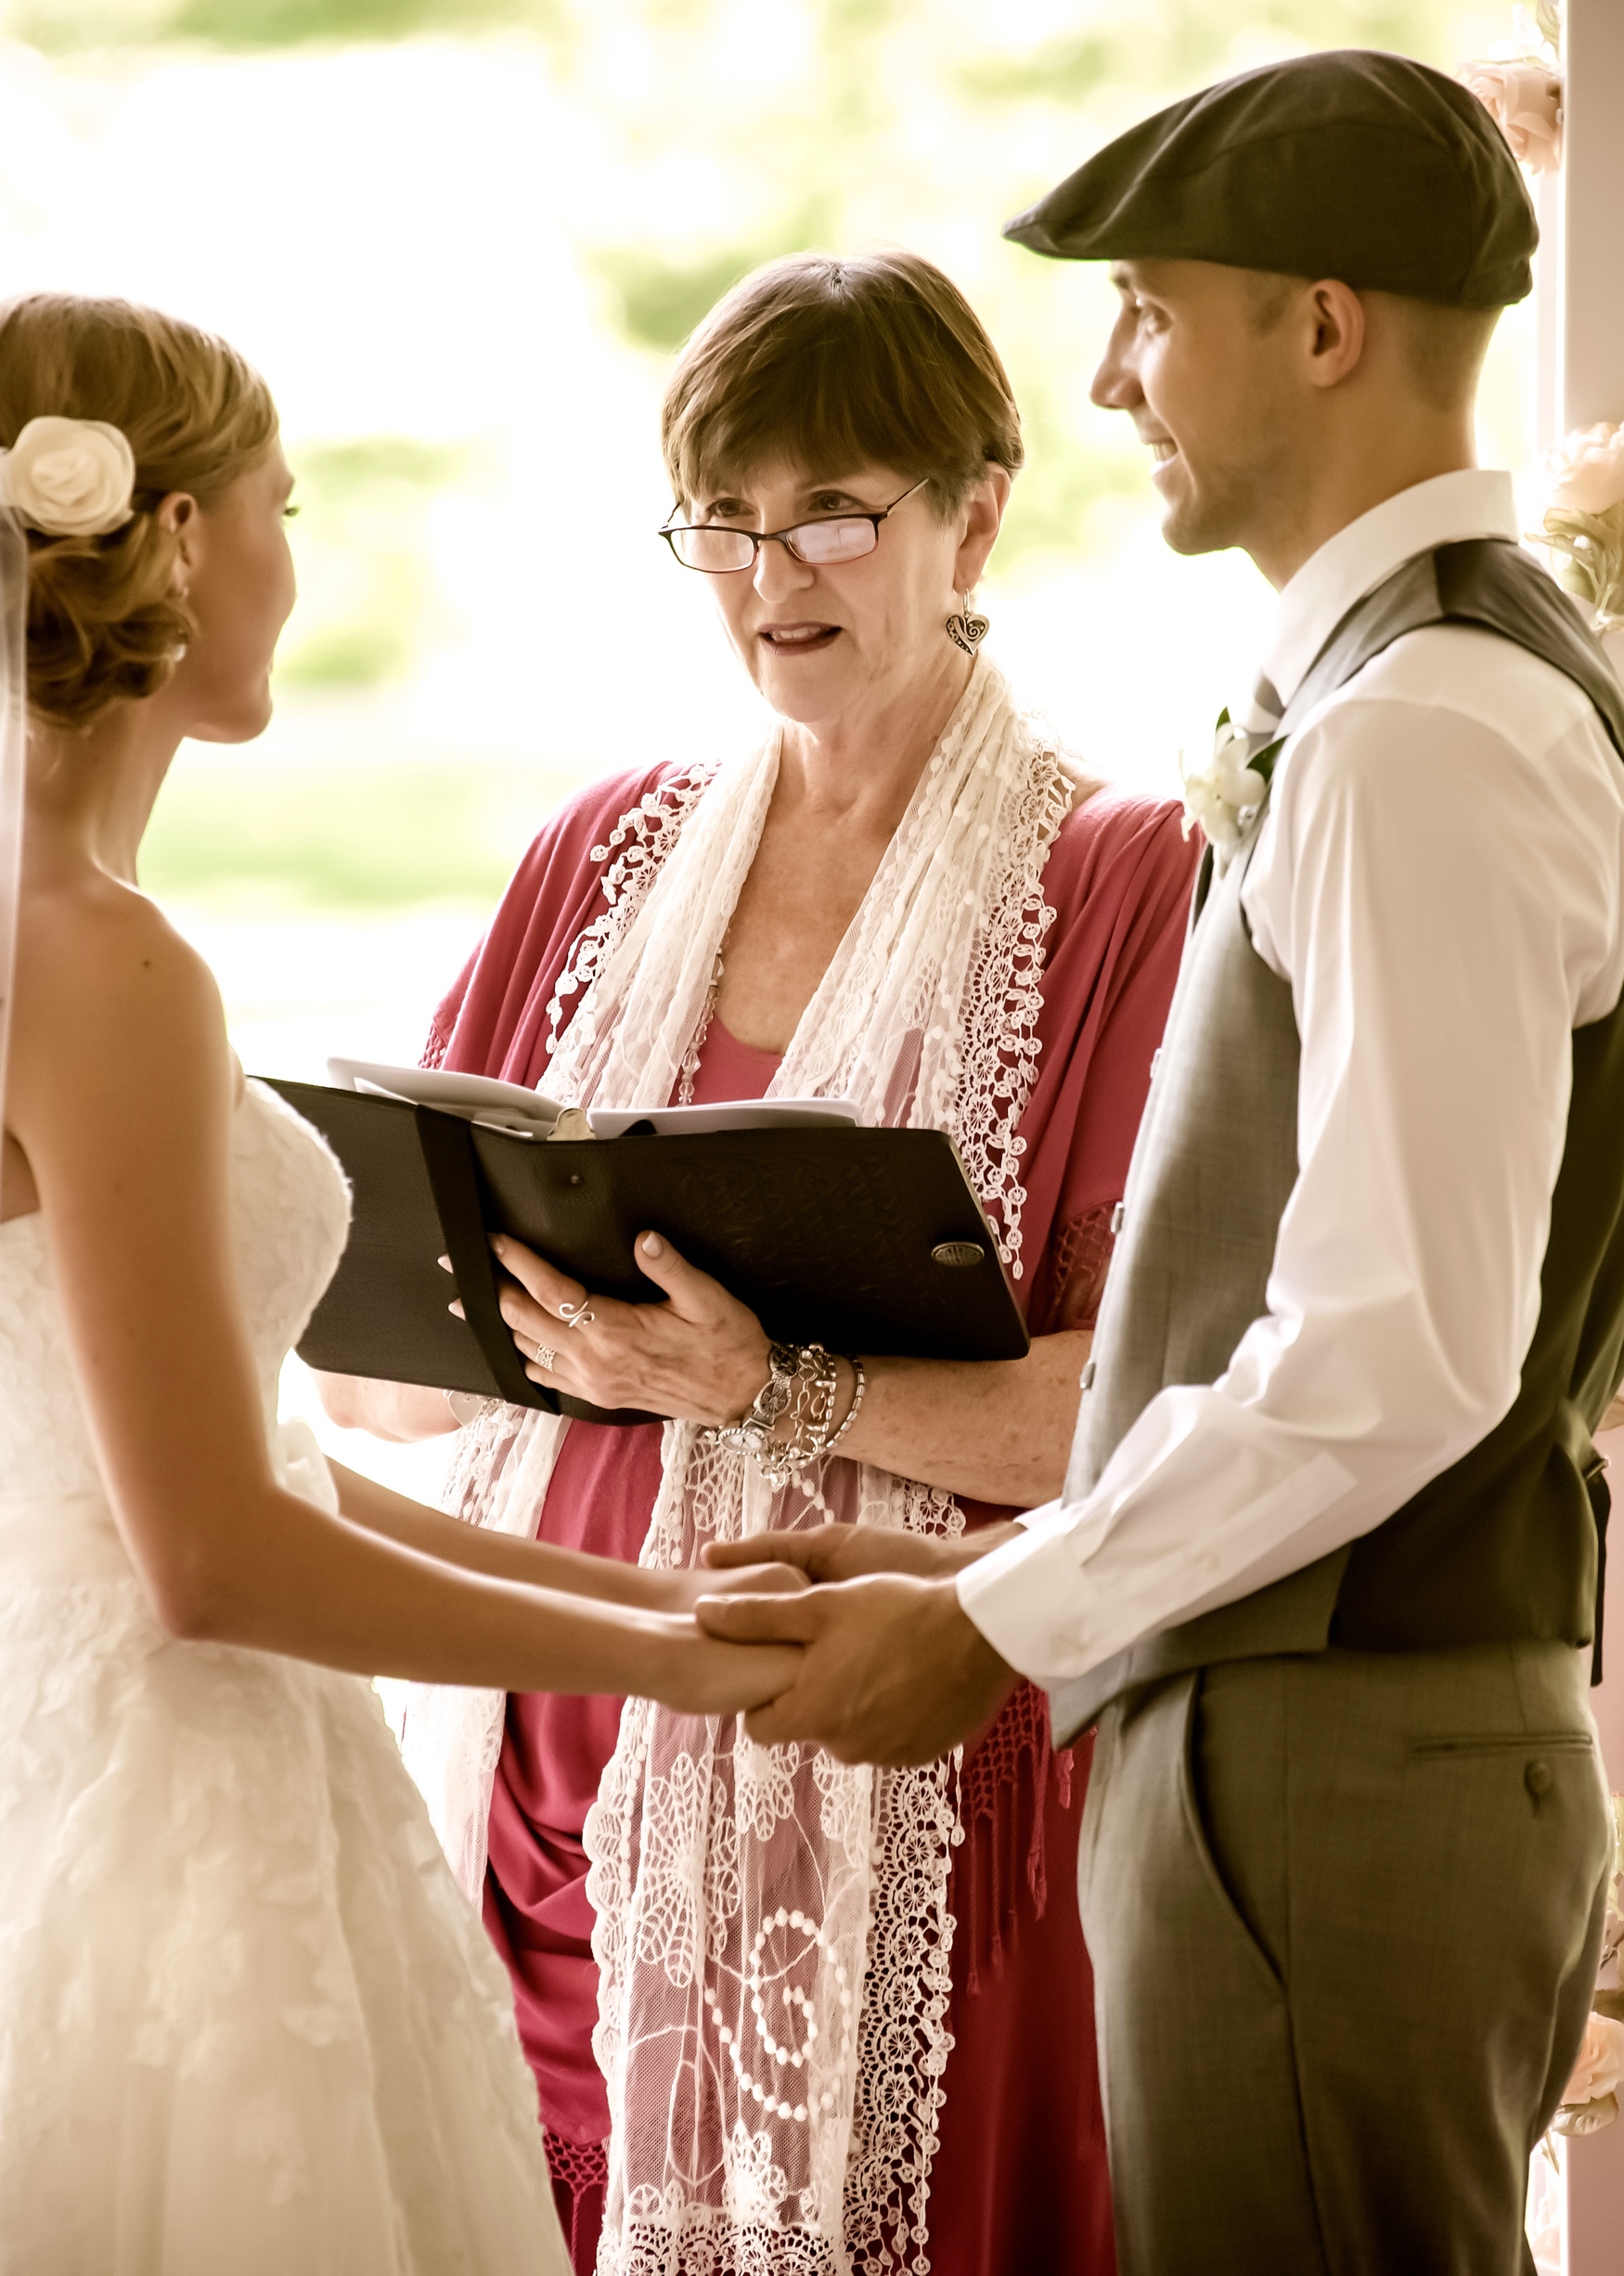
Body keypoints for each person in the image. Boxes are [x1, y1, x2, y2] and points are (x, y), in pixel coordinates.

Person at [0, 294, 807, 2272]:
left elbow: (224, 1478)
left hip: (20, 1765)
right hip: (165, 1826)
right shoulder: (100, 962)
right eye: (279, 504)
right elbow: (210, 1556)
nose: (289, 562)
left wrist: (655, 1585)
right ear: (167, 545)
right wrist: (663, 1664)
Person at [700, 52, 1624, 2276]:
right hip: (1320, 1742)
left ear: (1319, 327)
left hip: (1332, 1776)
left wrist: (985, 1610)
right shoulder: (1404, 691)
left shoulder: (1417, 731)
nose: (1108, 371)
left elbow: (1389, 1355)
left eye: (1150, 306)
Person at [322, 252, 1198, 2274]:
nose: (763, 570)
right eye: (719, 516)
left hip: (897, 1768)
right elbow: (358, 1357)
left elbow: (1129, 1409)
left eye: (830, 511)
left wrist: (761, 1387)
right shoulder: (596, 850)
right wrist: (516, 1325)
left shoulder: (1128, 883)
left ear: (978, 513)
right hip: (547, 1768)